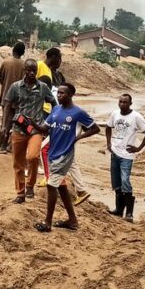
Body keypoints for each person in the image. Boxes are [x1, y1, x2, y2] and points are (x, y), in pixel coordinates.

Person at [33, 83, 100, 232]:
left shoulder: (78, 113)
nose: (59, 95)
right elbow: (45, 128)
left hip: (64, 154)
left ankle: (47, 223)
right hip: (53, 152)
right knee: (62, 187)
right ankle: (72, 221)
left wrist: (78, 138)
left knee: (51, 186)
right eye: (58, 93)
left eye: (62, 93)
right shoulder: (56, 109)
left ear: (70, 95)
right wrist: (32, 123)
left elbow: (96, 128)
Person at [1, 59, 57, 203]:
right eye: (28, 70)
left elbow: (54, 104)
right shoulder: (15, 87)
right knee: (18, 163)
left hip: (35, 130)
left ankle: (30, 185)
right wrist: (4, 126)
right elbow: (7, 105)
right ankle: (20, 193)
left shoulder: (43, 87)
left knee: (32, 157)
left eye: (34, 70)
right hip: (18, 129)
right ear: (24, 70)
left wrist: (49, 122)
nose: (31, 73)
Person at [106, 94, 145, 222]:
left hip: (127, 155)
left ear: (130, 104)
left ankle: (129, 213)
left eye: (125, 102)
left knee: (125, 180)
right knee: (116, 182)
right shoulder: (115, 114)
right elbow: (108, 127)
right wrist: (109, 143)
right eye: (120, 101)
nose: (122, 104)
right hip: (115, 152)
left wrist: (139, 148)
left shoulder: (136, 117)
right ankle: (118, 210)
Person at [0, 42, 26, 152]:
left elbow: (0, 79)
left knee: (4, 122)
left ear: (13, 50)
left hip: (6, 97)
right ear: (23, 53)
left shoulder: (5, 63)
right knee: (17, 123)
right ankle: (11, 146)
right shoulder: (24, 65)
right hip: (19, 100)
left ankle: (1, 146)